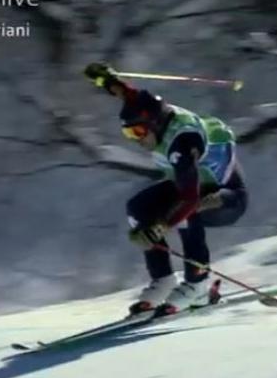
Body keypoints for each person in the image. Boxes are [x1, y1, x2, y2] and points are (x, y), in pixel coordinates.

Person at [84, 62, 248, 315]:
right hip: (194, 187)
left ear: (155, 123)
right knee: (138, 209)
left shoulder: (182, 144)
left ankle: (198, 284)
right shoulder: (153, 113)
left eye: (138, 131)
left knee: (189, 209)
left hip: (227, 198)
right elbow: (130, 95)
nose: (136, 139)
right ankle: (163, 280)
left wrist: (159, 226)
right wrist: (106, 79)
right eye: (129, 133)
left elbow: (190, 199)